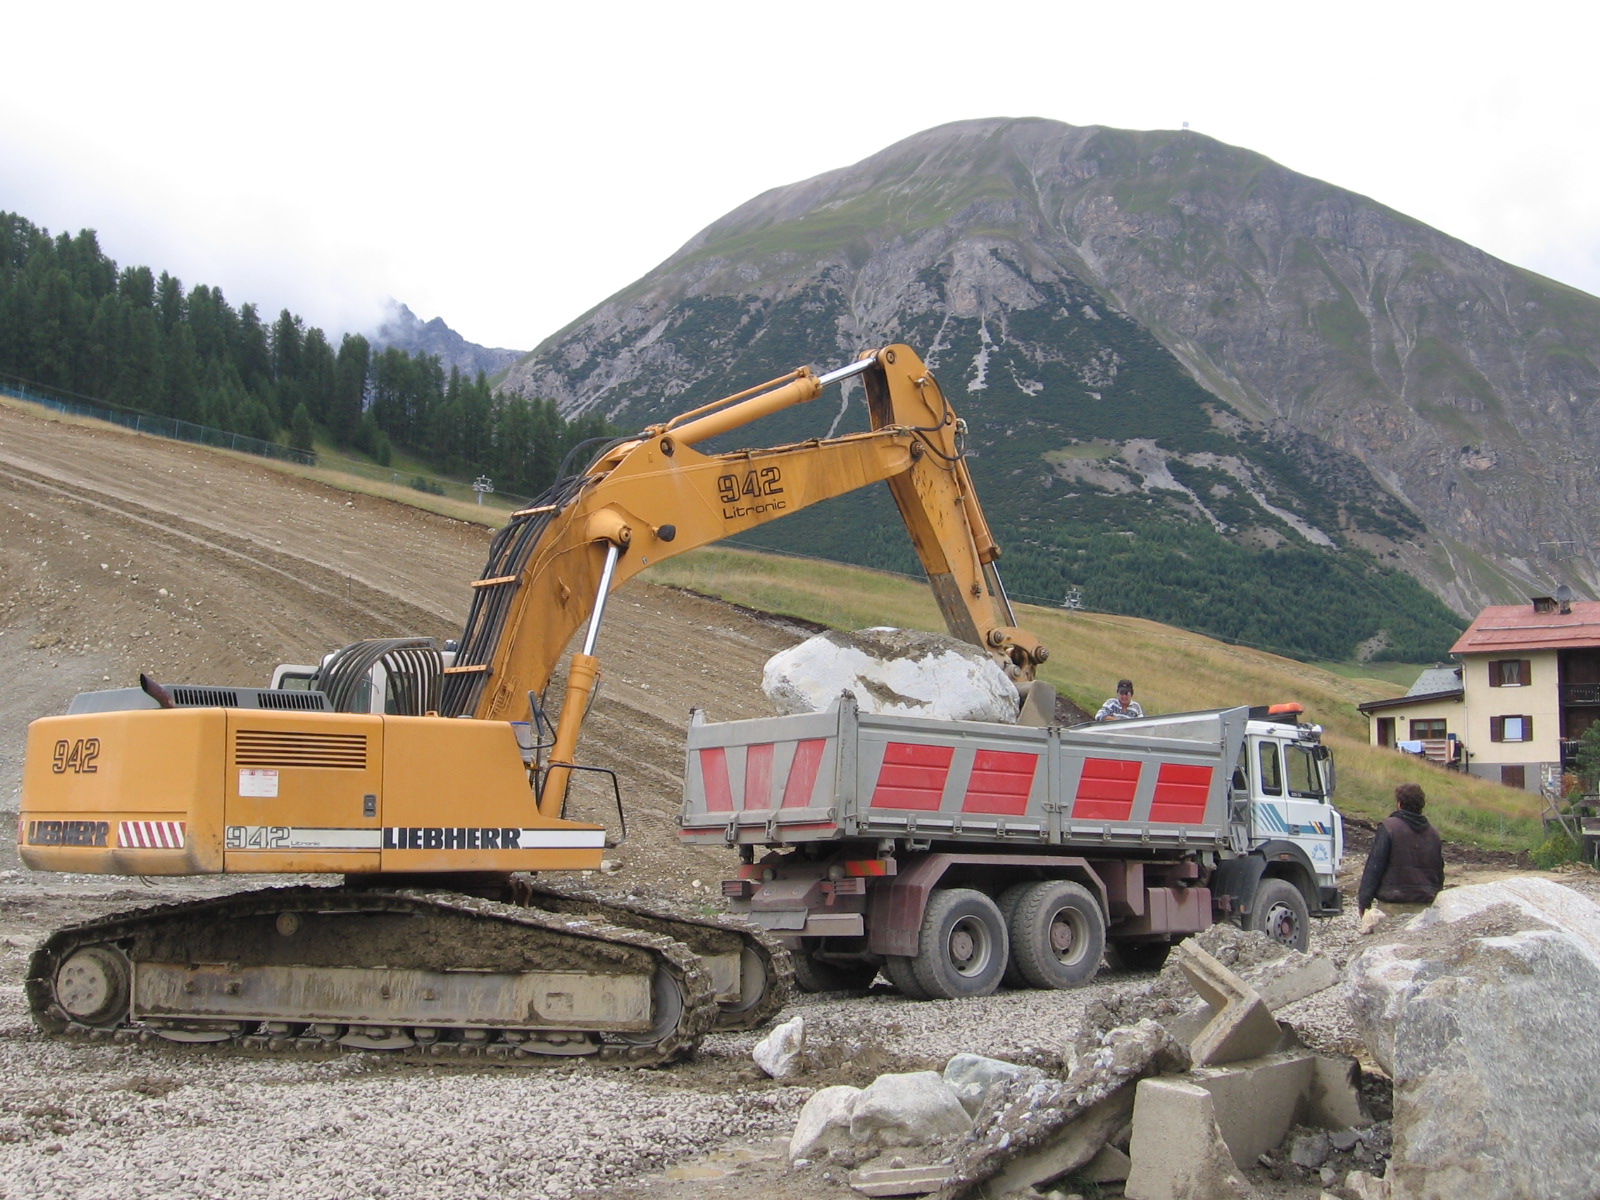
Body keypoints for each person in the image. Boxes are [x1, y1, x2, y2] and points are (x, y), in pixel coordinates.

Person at [1357, 782, 1445, 933]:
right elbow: (1439, 872)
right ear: (1421, 805)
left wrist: (1364, 901)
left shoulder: (1389, 827)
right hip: (1424, 907)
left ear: (1399, 804)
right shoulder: (1433, 834)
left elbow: (1375, 866)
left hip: (1392, 905)